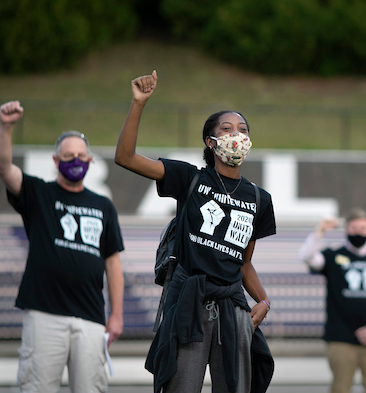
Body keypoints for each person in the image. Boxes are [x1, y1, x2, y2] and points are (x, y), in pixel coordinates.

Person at [115, 70, 276, 393]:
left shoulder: (259, 198)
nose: (237, 135)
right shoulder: (191, 179)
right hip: (190, 303)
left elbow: (243, 264)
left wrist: (264, 301)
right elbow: (125, 157)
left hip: (233, 308)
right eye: (227, 129)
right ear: (211, 141)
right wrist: (138, 103)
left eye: (243, 129)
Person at [0, 102, 125, 393]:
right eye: (68, 156)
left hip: (90, 318)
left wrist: (116, 314)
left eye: (80, 155)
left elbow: (113, 263)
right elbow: (3, 167)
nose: (75, 160)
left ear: (90, 160)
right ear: (55, 161)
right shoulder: (38, 193)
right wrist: (6, 126)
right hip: (44, 314)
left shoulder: (103, 205)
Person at [299, 209, 366, 393]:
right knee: (340, 388)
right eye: (354, 227)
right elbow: (306, 256)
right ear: (346, 230)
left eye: (363, 228)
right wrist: (320, 231)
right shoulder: (333, 257)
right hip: (340, 339)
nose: (358, 232)